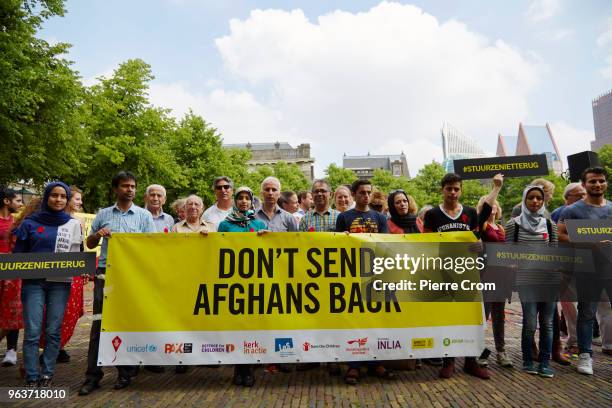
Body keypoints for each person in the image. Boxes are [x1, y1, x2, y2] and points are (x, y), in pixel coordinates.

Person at [78, 171, 155, 395]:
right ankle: (93, 375)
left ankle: (125, 371)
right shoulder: (103, 214)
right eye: (125, 186)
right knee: (99, 323)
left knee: (128, 323)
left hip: (131, 276)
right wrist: (99, 235)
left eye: (132, 186)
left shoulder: (144, 216)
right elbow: (89, 243)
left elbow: (150, 247)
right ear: (115, 189)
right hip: (105, 275)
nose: (130, 189)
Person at [423, 173, 496, 380]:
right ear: (442, 190)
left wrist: (480, 246)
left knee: (471, 316)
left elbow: (476, 240)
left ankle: (471, 361)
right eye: (449, 189)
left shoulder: (471, 213)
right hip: (443, 272)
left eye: (456, 189)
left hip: (468, 272)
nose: (453, 193)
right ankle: (449, 361)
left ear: (461, 190)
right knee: (447, 317)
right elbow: (427, 244)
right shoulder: (432, 214)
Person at [13, 182, 82, 387]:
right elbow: (18, 257)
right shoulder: (29, 223)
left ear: (67, 199)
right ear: (46, 197)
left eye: (63, 196)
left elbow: (78, 256)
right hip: (33, 284)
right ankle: (32, 375)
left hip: (59, 284)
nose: (58, 200)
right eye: (54, 195)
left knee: (53, 329)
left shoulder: (73, 224)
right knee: (33, 331)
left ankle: (48, 372)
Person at [336, 179, 392, 384]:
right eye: (362, 193)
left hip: (375, 275)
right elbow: (339, 245)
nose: (366, 196)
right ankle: (354, 365)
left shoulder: (379, 217)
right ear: (354, 194)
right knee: (354, 322)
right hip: (352, 275)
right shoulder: (344, 217)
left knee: (375, 321)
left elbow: (385, 244)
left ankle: (375, 362)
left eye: (369, 192)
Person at [557, 166, 612, 374]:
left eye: (601, 181)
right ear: (584, 184)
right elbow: (560, 235)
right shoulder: (572, 210)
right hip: (588, 269)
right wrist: (588, 241)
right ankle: (585, 356)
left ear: (605, 183)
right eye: (592, 181)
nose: (597, 184)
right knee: (587, 313)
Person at [505, 185, 559, 378]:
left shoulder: (550, 224)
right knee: (529, 324)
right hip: (527, 280)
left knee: (548, 324)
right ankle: (528, 360)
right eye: (531, 198)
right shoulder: (514, 224)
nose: (535, 201)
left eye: (539, 198)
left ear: (543, 201)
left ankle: (544, 363)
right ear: (524, 200)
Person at [218, 187, 267, 387]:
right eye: (241, 198)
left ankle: (249, 369)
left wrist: (267, 237)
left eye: (248, 198)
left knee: (252, 327)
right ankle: (238, 368)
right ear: (235, 202)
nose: (244, 202)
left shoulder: (259, 223)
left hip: (254, 282)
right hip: (233, 283)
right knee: (236, 327)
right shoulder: (225, 224)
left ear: (252, 201)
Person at [44, 186, 85, 364]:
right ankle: (48, 348)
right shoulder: (50, 220)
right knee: (52, 311)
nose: (80, 203)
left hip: (73, 271)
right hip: (54, 271)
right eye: (77, 199)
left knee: (70, 312)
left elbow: (80, 248)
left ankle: (59, 346)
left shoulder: (79, 221)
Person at [476, 192, 513, 368]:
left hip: (501, 275)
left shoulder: (501, 228)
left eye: (494, 205)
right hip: (486, 275)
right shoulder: (481, 226)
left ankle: (501, 351)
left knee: (499, 316)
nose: (492, 208)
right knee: (484, 314)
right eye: (488, 205)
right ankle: (479, 352)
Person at [549, 182, 586, 354]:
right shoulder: (558, 214)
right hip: (566, 264)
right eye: (578, 195)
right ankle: (575, 340)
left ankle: (606, 343)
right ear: (567, 198)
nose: (582, 198)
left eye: (583, 194)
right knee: (570, 305)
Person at [0, 187, 23, 367]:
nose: (20, 204)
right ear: (6, 201)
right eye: (17, 200)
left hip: (13, 275)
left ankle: (11, 350)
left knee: (13, 312)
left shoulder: (17, 224)